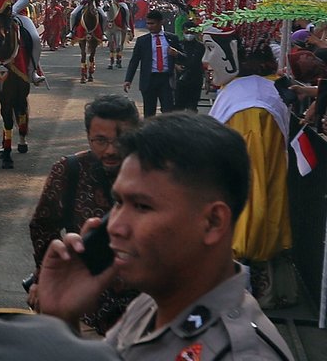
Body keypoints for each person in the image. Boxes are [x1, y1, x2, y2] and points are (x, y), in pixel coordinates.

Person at [35, 112, 293, 360]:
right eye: (119, 202)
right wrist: (61, 319)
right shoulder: (150, 304)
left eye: (142, 206)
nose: (115, 226)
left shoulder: (241, 354)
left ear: (213, 222)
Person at [27, 94, 141, 335]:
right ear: (88, 136)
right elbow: (42, 226)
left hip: (145, 312)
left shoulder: (155, 173)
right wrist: (44, 275)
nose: (111, 150)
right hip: (85, 312)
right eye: (100, 140)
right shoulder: (70, 170)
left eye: (122, 140)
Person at [204, 35, 294, 307]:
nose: (205, 61)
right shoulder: (244, 92)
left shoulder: (250, 107)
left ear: (233, 53)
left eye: (210, 50)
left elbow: (251, 189)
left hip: (243, 240)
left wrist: (237, 247)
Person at [123, 9, 179, 117]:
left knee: (168, 112)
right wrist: (128, 80)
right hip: (149, 80)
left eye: (152, 23)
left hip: (166, 80)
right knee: (149, 113)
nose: (150, 26)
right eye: (148, 23)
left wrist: (177, 54)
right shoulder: (142, 41)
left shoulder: (172, 39)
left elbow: (183, 57)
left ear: (161, 22)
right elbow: (134, 61)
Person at [173, 25, 206, 112]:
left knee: (192, 107)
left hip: (196, 80)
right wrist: (176, 66)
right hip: (181, 81)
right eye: (187, 32)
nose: (189, 35)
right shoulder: (178, 45)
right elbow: (170, 60)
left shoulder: (201, 47)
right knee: (179, 107)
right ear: (183, 32)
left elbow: (205, 64)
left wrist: (207, 81)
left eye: (191, 33)